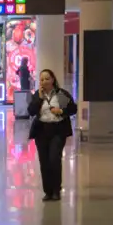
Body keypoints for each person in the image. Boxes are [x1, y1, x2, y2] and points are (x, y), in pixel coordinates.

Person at [27, 69, 77, 202]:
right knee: (44, 162)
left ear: (53, 80)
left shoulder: (61, 94)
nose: (44, 82)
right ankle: (47, 191)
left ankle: (56, 190)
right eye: (42, 79)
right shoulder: (37, 95)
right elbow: (31, 111)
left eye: (47, 79)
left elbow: (73, 109)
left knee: (54, 159)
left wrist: (61, 110)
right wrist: (39, 99)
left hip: (57, 130)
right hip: (42, 131)